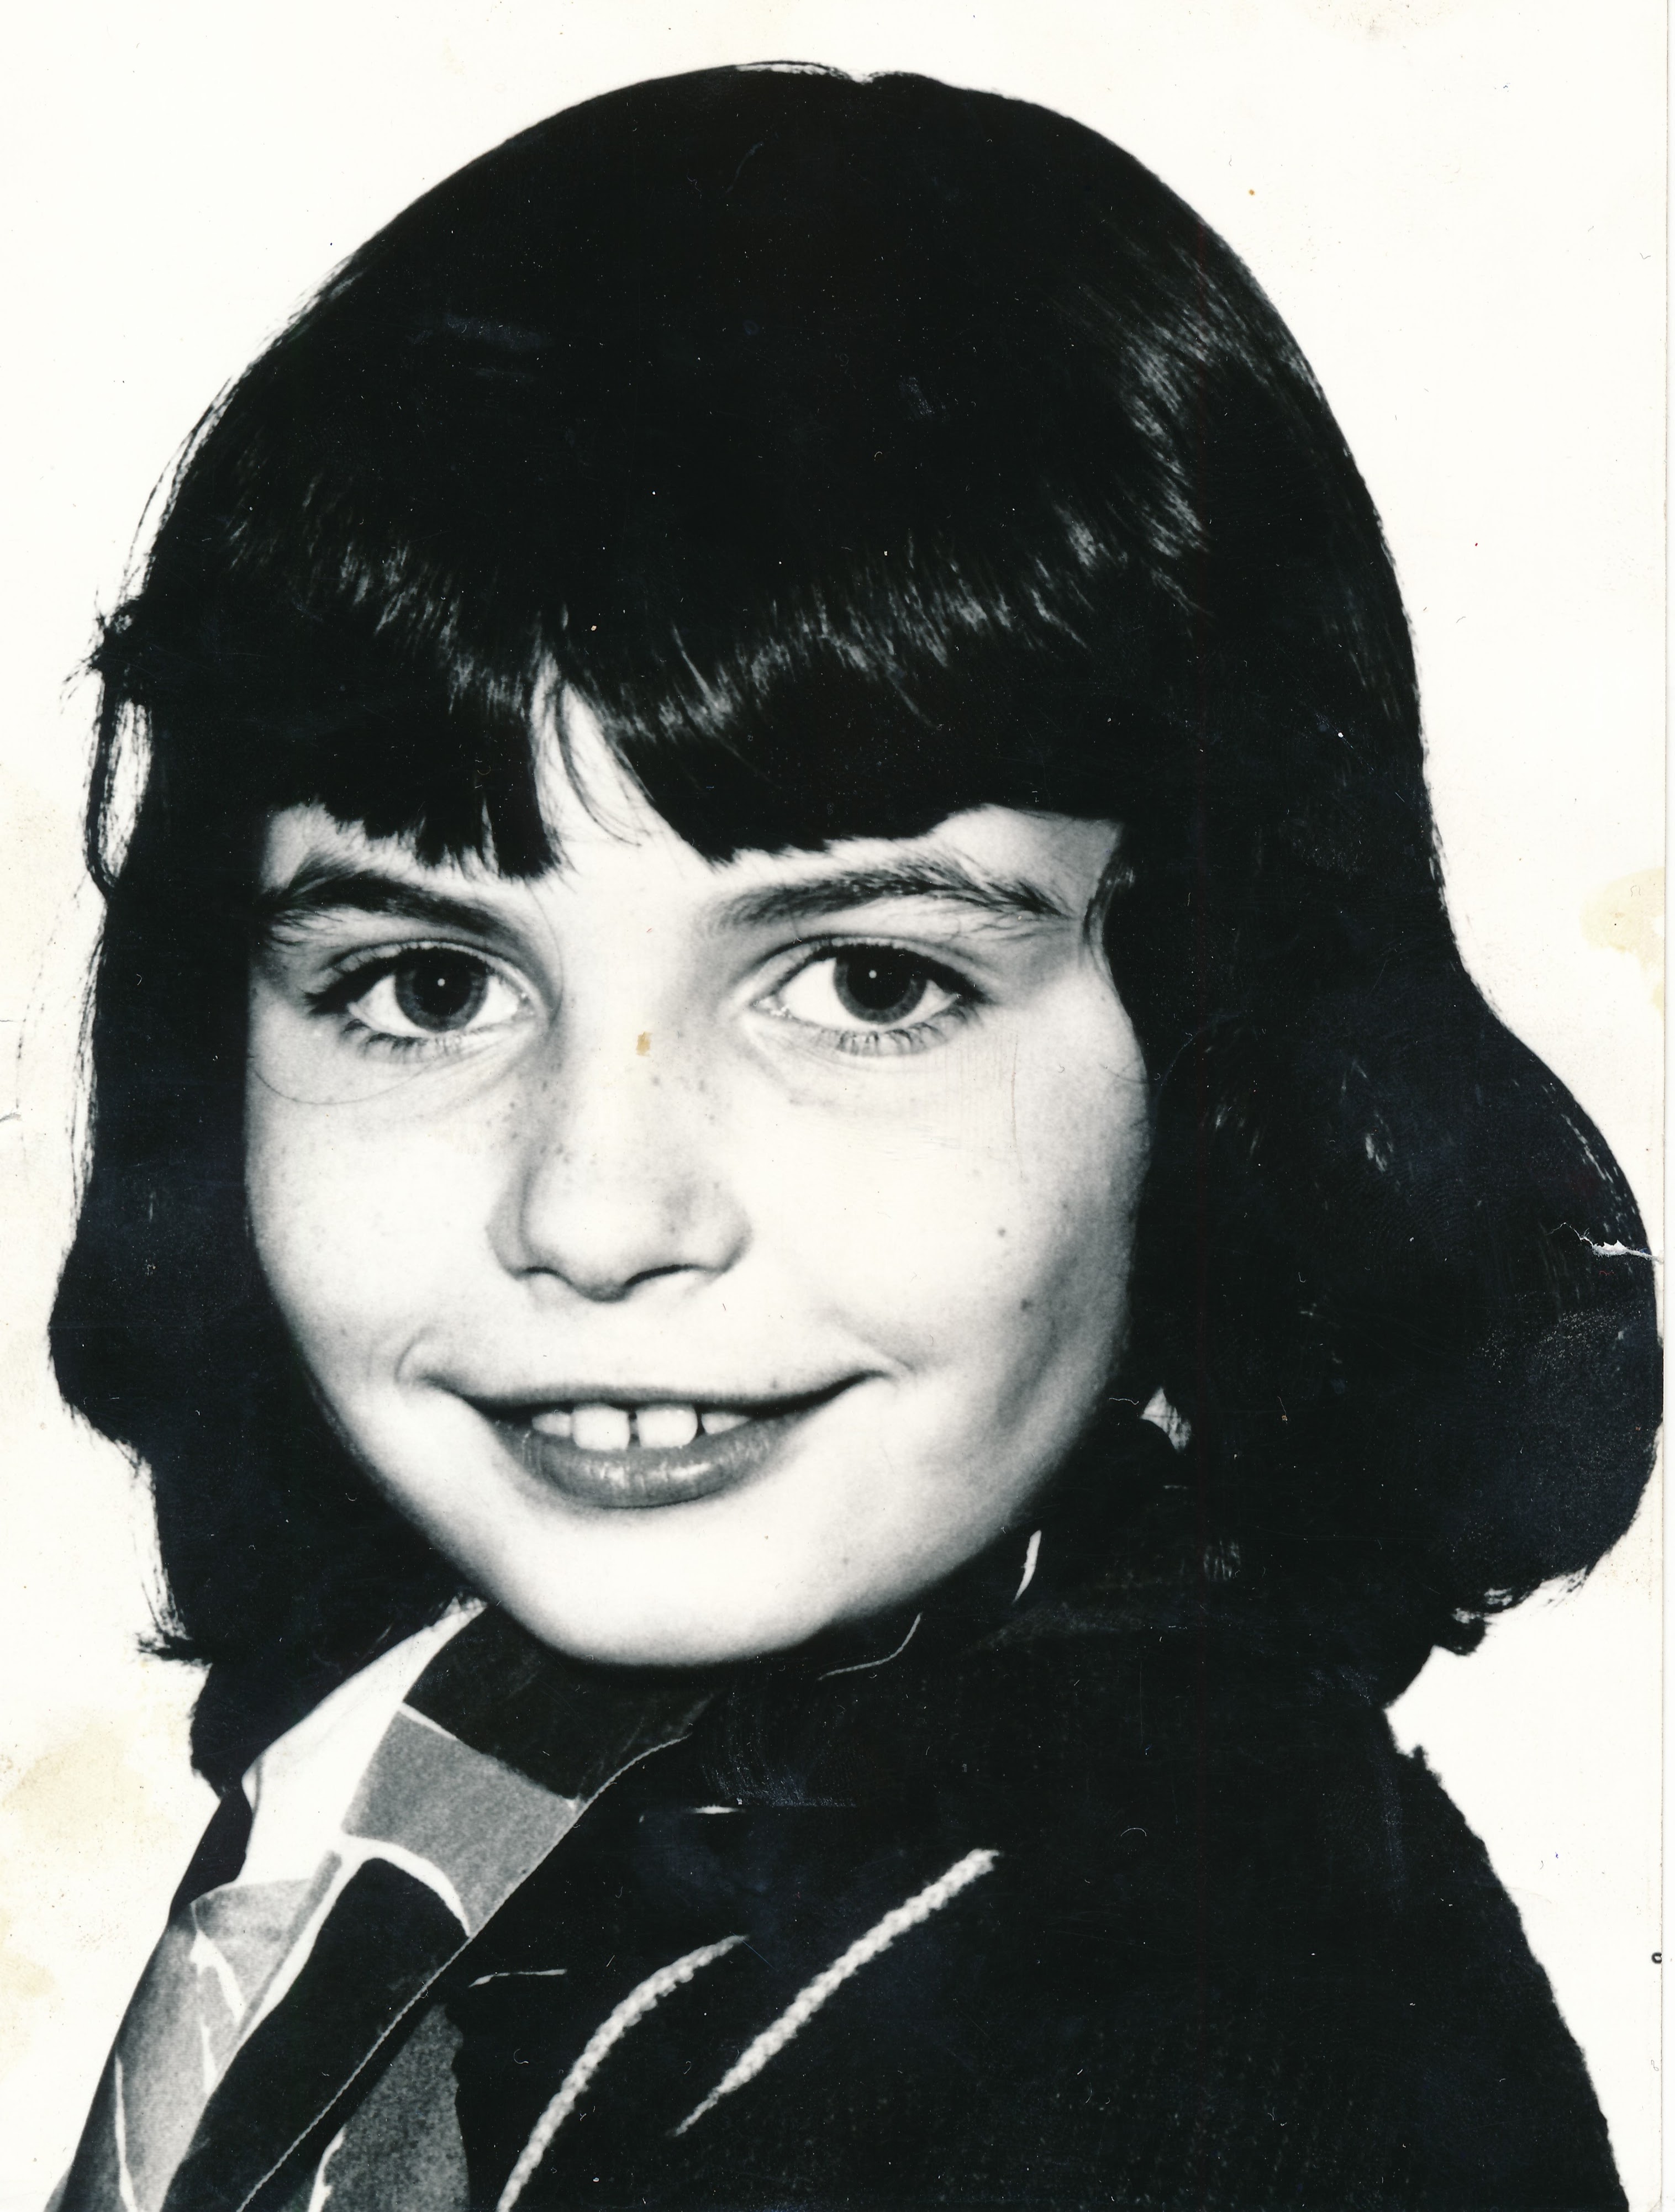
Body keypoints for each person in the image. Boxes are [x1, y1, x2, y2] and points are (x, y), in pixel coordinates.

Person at [47, 62, 1656, 2212]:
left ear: (1223, 1048)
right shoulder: (496, 1768)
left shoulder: (1185, 2056)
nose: (596, 1213)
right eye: (428, 985)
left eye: (869, 986)